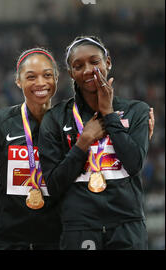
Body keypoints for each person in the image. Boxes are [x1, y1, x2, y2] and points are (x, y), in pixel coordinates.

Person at [39, 36, 151, 250]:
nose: (88, 70)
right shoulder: (55, 118)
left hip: (127, 225)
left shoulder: (137, 111)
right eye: (78, 66)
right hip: (80, 227)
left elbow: (134, 163)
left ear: (107, 62)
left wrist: (109, 114)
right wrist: (83, 142)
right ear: (71, 73)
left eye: (94, 61)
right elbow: (53, 184)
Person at [0, 48, 62, 250]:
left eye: (47, 75)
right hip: (6, 243)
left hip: (56, 242)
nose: (40, 83)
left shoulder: (67, 125)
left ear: (56, 78)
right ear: (18, 81)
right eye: (31, 76)